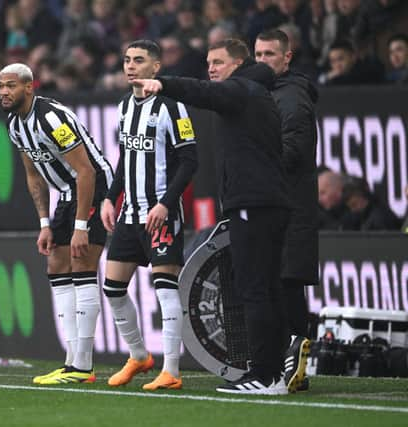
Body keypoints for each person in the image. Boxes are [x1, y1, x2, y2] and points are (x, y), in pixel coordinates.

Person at [133, 38, 290, 395]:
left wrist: (165, 83)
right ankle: (275, 373)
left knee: (254, 288)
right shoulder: (257, 91)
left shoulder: (242, 90)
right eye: (208, 62)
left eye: (218, 62)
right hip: (267, 201)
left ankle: (264, 374)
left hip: (254, 202)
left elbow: (205, 93)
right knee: (267, 287)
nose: (212, 69)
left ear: (237, 63)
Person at [0, 63, 113, 384]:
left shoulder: (51, 117)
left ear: (29, 87)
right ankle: (71, 361)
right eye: (0, 86)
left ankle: (83, 366)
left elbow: (87, 171)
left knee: (81, 263)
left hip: (94, 187)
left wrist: (80, 226)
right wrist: (45, 223)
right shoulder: (14, 125)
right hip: (65, 193)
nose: (4, 92)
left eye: (11, 86)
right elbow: (33, 175)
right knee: (56, 266)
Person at [100, 40, 198, 391]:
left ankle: (171, 369)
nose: (130, 66)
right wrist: (111, 198)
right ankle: (139, 356)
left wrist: (166, 204)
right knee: (112, 288)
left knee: (165, 290)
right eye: (126, 59)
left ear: (156, 67)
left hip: (161, 214)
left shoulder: (172, 105)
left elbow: (190, 161)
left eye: (138, 60)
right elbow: (126, 159)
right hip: (129, 214)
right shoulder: (126, 105)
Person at [255, 29, 318, 393]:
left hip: (289, 206)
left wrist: (256, 165)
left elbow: (292, 150)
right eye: (258, 55)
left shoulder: (291, 97)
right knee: (283, 285)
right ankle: (294, 365)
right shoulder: (272, 94)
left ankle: (293, 363)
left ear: (287, 57)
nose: (263, 61)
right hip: (280, 204)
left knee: (287, 284)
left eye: (270, 55)